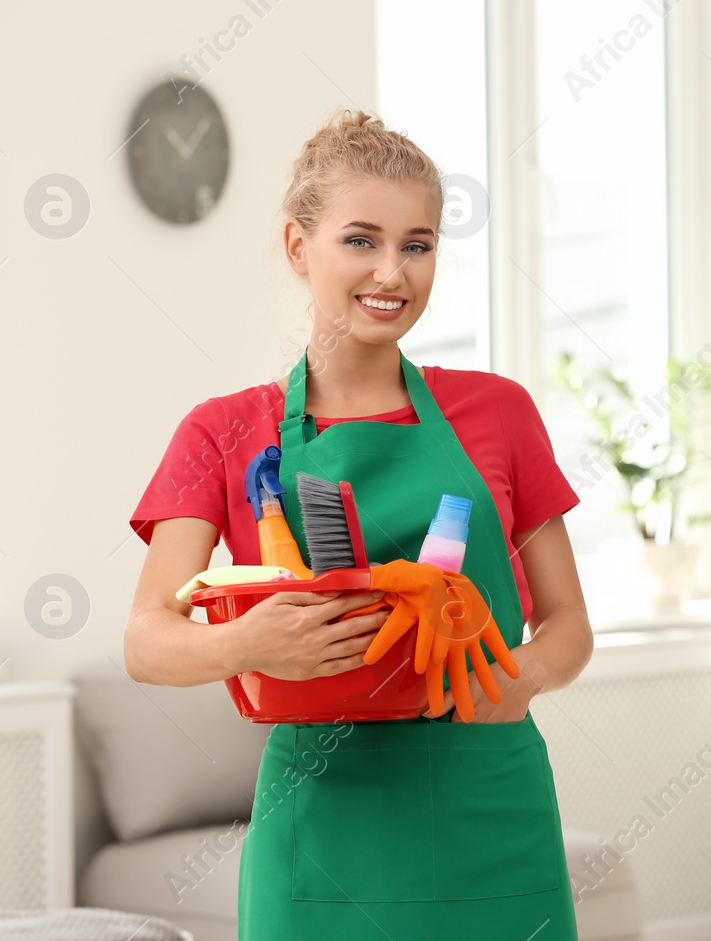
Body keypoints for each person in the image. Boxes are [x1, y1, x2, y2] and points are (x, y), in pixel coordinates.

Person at [123, 109, 593, 939]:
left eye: (418, 244)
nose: (392, 271)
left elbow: (569, 625)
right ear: (299, 248)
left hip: (491, 801)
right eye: (361, 240)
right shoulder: (225, 431)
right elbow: (145, 638)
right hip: (324, 823)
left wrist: (517, 681)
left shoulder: (499, 412)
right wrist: (244, 645)